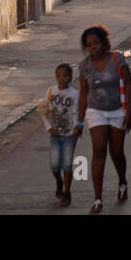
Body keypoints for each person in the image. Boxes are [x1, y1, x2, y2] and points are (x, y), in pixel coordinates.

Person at [74, 25, 131, 213]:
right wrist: (80, 120)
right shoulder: (84, 66)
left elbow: (129, 86)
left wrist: (129, 112)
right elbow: (83, 94)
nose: (93, 47)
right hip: (95, 111)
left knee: (116, 152)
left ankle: (122, 182)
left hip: (117, 111)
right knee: (99, 151)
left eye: (96, 43)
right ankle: (98, 198)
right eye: (89, 44)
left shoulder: (118, 60)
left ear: (104, 43)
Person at [42, 64, 80, 207]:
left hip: (70, 134)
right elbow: (43, 111)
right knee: (54, 164)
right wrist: (49, 128)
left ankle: (67, 192)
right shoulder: (51, 92)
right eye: (58, 76)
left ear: (70, 78)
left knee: (67, 164)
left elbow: (76, 113)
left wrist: (78, 127)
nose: (61, 79)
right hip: (55, 134)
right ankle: (59, 181)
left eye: (65, 76)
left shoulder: (74, 94)